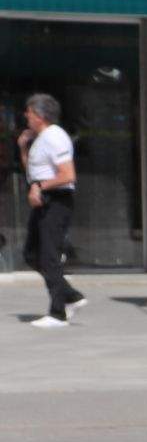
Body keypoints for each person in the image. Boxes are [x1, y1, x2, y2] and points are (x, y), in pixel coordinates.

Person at [18, 93, 84, 329]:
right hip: (43, 198)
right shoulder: (41, 138)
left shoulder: (55, 137)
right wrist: (23, 149)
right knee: (31, 254)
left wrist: (40, 188)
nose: (26, 115)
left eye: (29, 111)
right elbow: (33, 172)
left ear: (40, 115)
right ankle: (70, 296)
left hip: (56, 200)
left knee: (48, 255)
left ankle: (58, 313)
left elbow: (67, 175)